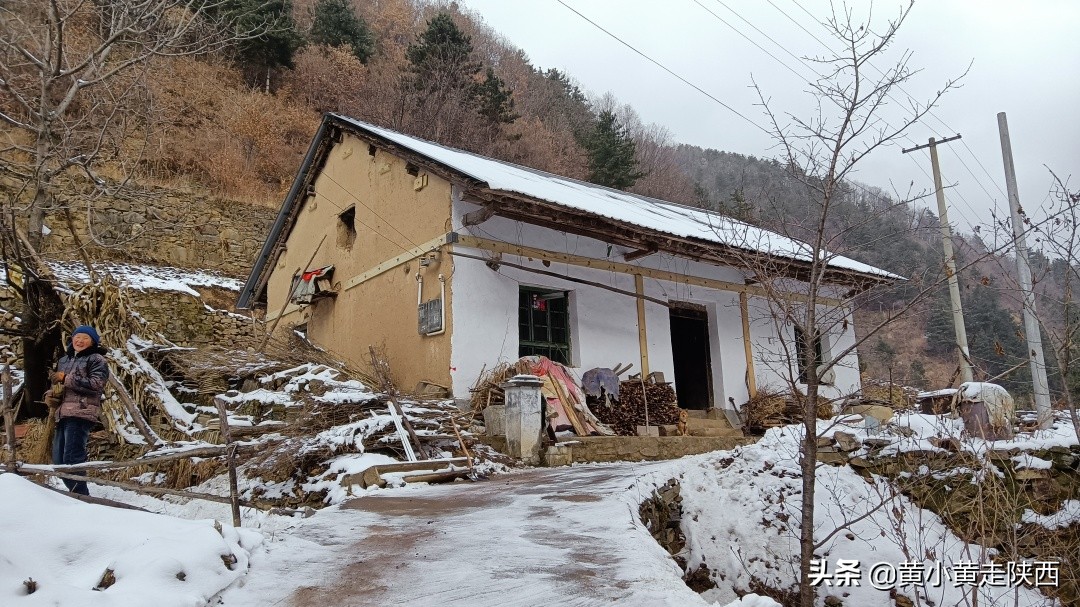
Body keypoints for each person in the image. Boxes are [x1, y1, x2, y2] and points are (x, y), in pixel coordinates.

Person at [43, 325, 108, 495]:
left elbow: (96, 385)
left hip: (81, 412)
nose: (80, 341)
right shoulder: (64, 360)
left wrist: (66, 378)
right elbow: (56, 386)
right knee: (59, 462)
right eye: (77, 337)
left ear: (92, 341)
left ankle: (81, 497)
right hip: (62, 414)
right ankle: (76, 494)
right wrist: (50, 396)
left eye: (85, 338)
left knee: (72, 458)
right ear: (71, 339)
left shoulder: (96, 359)